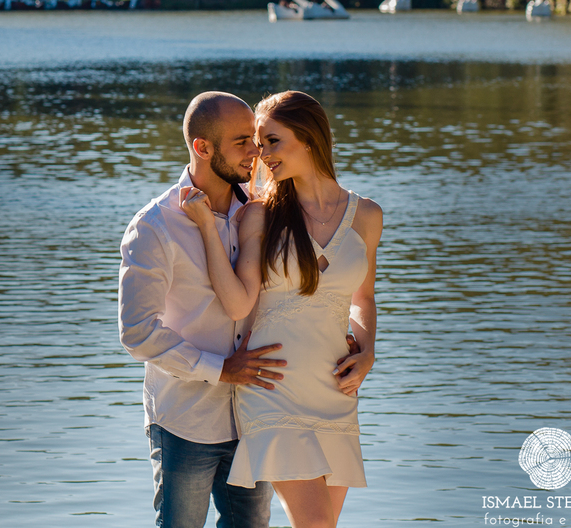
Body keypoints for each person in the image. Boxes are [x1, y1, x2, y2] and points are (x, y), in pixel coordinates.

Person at [179, 90, 382, 528]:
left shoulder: (366, 215)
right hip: (274, 388)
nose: (261, 154)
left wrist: (366, 351)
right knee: (316, 524)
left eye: (272, 141)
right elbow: (237, 301)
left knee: (323, 523)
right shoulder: (262, 215)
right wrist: (207, 232)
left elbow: (363, 299)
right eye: (257, 142)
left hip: (334, 389)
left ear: (308, 138)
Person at [119, 92, 287, 528]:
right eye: (241, 142)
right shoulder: (154, 226)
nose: (256, 151)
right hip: (186, 420)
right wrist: (220, 369)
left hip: (253, 414)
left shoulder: (260, 210)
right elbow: (136, 331)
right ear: (202, 148)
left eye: (255, 139)